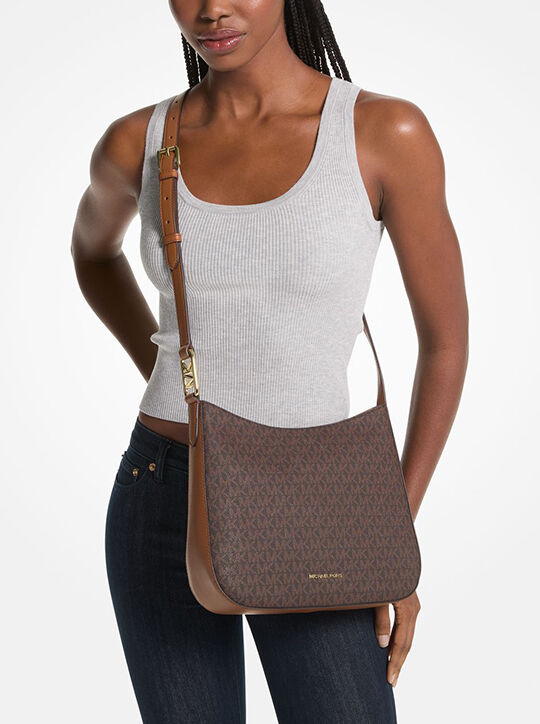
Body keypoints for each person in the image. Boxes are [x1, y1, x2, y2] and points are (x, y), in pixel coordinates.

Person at [71, 1, 468, 721]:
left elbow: (444, 343)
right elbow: (92, 255)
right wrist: (176, 376)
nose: (211, 9)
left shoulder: (384, 131)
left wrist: (386, 537)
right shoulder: (139, 142)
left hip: (319, 502)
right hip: (164, 486)